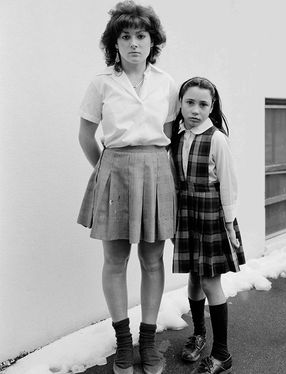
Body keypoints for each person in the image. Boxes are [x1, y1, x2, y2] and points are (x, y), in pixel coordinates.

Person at [77, 2, 178, 374]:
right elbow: (86, 135)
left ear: (153, 42)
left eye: (141, 36)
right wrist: (106, 170)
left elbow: (168, 136)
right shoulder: (102, 83)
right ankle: (123, 341)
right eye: (126, 36)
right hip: (114, 171)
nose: (134, 43)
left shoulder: (166, 83)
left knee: (152, 260)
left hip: (155, 171)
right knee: (114, 261)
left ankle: (148, 341)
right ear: (114, 43)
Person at [170, 77, 246, 374]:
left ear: (212, 107)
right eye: (190, 102)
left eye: (203, 104)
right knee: (193, 276)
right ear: (180, 104)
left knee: (210, 281)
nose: (196, 110)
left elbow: (229, 184)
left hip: (211, 215)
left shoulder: (216, 139)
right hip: (186, 215)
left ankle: (222, 354)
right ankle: (199, 335)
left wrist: (228, 224)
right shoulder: (176, 137)